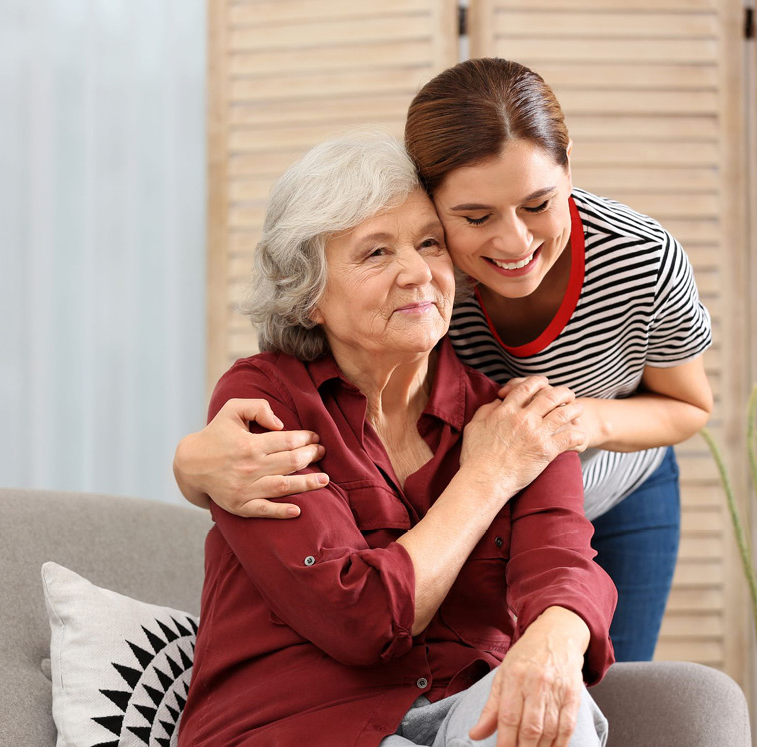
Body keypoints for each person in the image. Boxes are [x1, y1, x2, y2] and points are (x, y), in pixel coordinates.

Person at [173, 58, 712, 662]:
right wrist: (189, 465)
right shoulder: (432, 276)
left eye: (538, 203)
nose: (514, 244)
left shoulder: (641, 259)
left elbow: (689, 405)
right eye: (475, 217)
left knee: (609, 673)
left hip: (611, 476)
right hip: (497, 474)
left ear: (569, 170)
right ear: (432, 201)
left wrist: (577, 423)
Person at [176, 132, 616, 747]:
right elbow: (358, 618)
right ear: (309, 299)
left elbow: (563, 565)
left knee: (554, 712)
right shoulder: (265, 402)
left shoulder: (514, 415)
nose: (418, 272)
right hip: (300, 723)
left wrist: (555, 639)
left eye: (430, 243)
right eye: (376, 253)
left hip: (465, 706)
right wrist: (486, 477)